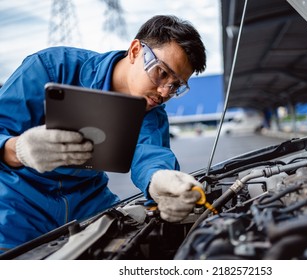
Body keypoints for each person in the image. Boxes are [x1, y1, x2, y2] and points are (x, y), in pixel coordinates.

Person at [0, 15, 207, 253]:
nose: (163, 92)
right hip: (17, 209)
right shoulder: (51, 67)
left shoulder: (151, 110)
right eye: (161, 73)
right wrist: (17, 149)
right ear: (135, 50)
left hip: (88, 205)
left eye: (175, 86)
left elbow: (151, 155)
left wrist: (158, 181)